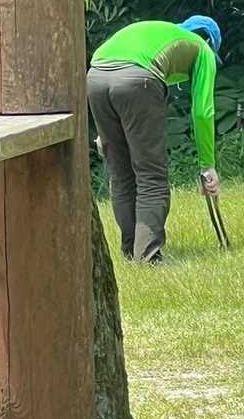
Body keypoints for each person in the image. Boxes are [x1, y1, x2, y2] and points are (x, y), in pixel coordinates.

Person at [86, 15, 221, 263]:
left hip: (95, 77)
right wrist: (207, 165)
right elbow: (203, 112)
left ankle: (131, 251)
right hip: (137, 80)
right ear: (210, 42)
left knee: (121, 173)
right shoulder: (203, 49)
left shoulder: (160, 33)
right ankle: (148, 257)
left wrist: (105, 132)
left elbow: (114, 70)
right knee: (151, 176)